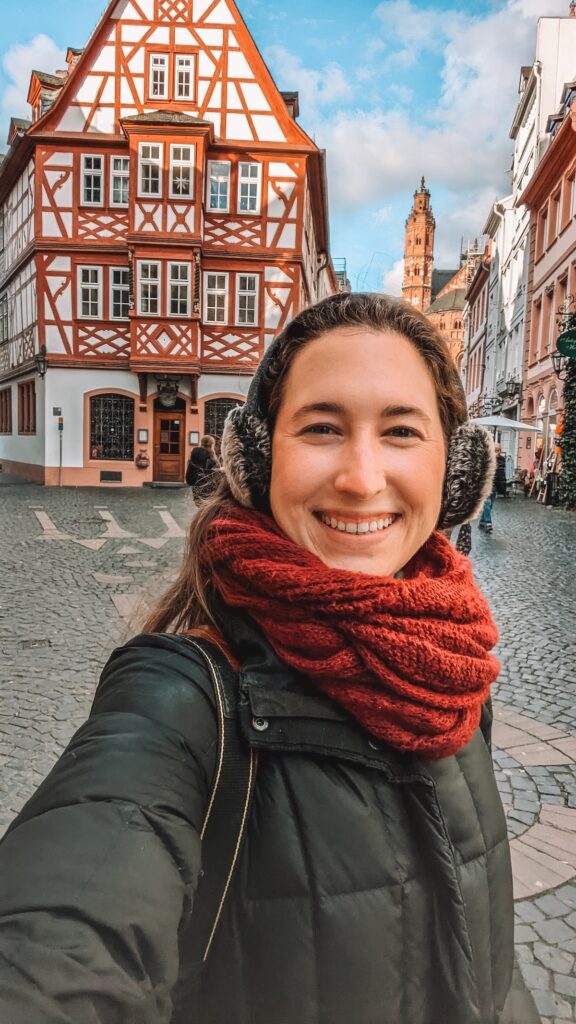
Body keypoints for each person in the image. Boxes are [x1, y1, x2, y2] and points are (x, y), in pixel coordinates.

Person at [0, 293, 515, 1024]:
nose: (361, 478)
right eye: (322, 428)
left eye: (401, 431)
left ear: (456, 471)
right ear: (256, 460)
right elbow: (64, 929)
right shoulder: (183, 700)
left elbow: (494, 975)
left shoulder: (457, 678)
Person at [479, 441, 504, 533]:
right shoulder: (487, 459)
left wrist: (502, 486)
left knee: (490, 506)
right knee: (488, 504)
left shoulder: (502, 459)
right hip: (487, 485)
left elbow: (501, 473)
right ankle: (488, 523)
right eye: (495, 450)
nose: (497, 452)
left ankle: (482, 522)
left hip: (495, 485)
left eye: (498, 450)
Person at [185, 434, 219, 502]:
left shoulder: (193, 452)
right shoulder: (211, 457)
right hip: (207, 487)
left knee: (199, 503)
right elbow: (215, 472)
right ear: (212, 445)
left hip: (195, 485)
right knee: (206, 504)